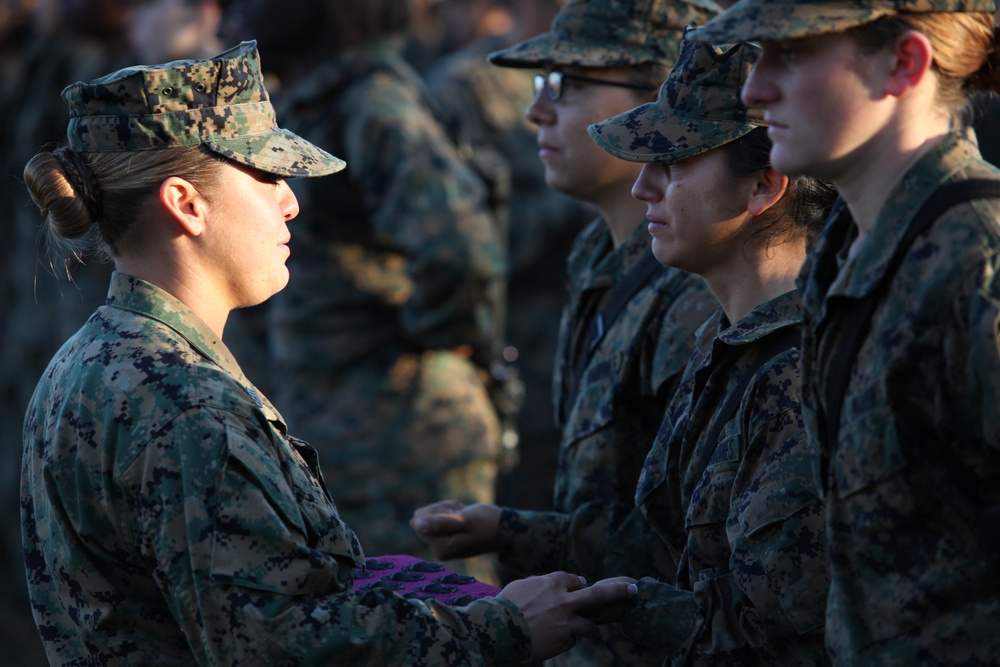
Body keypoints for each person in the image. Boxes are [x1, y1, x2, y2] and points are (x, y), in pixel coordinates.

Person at [18, 40, 635, 665]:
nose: (290, 201)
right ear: (186, 204)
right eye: (266, 175)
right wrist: (504, 626)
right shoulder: (189, 407)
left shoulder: (88, 364)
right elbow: (282, 647)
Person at [412, 1, 720, 664]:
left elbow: (685, 544)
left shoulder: (696, 282)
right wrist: (511, 529)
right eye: (543, 85)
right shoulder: (595, 253)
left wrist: (521, 534)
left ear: (664, 98)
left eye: (569, 85)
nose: (537, 111)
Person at [695, 1, 1000, 664]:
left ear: (904, 63)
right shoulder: (846, 253)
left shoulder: (977, 259)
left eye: (792, 54)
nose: (753, 89)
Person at [221, 0, 509, 583]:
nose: (237, 11)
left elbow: (460, 248)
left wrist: (436, 334)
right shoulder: (311, 100)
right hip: (344, 428)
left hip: (401, 434)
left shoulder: (372, 102)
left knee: (443, 625)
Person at [583, 27, 836, 664]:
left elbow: (781, 641)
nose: (642, 186)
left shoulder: (793, 372)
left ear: (763, 186)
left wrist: (614, 607)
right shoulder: (728, 337)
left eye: (672, 163)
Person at [422, 0, 596, 509]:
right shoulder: (465, 88)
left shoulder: (612, 67)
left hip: (597, 332)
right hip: (525, 352)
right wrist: (577, 206)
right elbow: (467, 238)